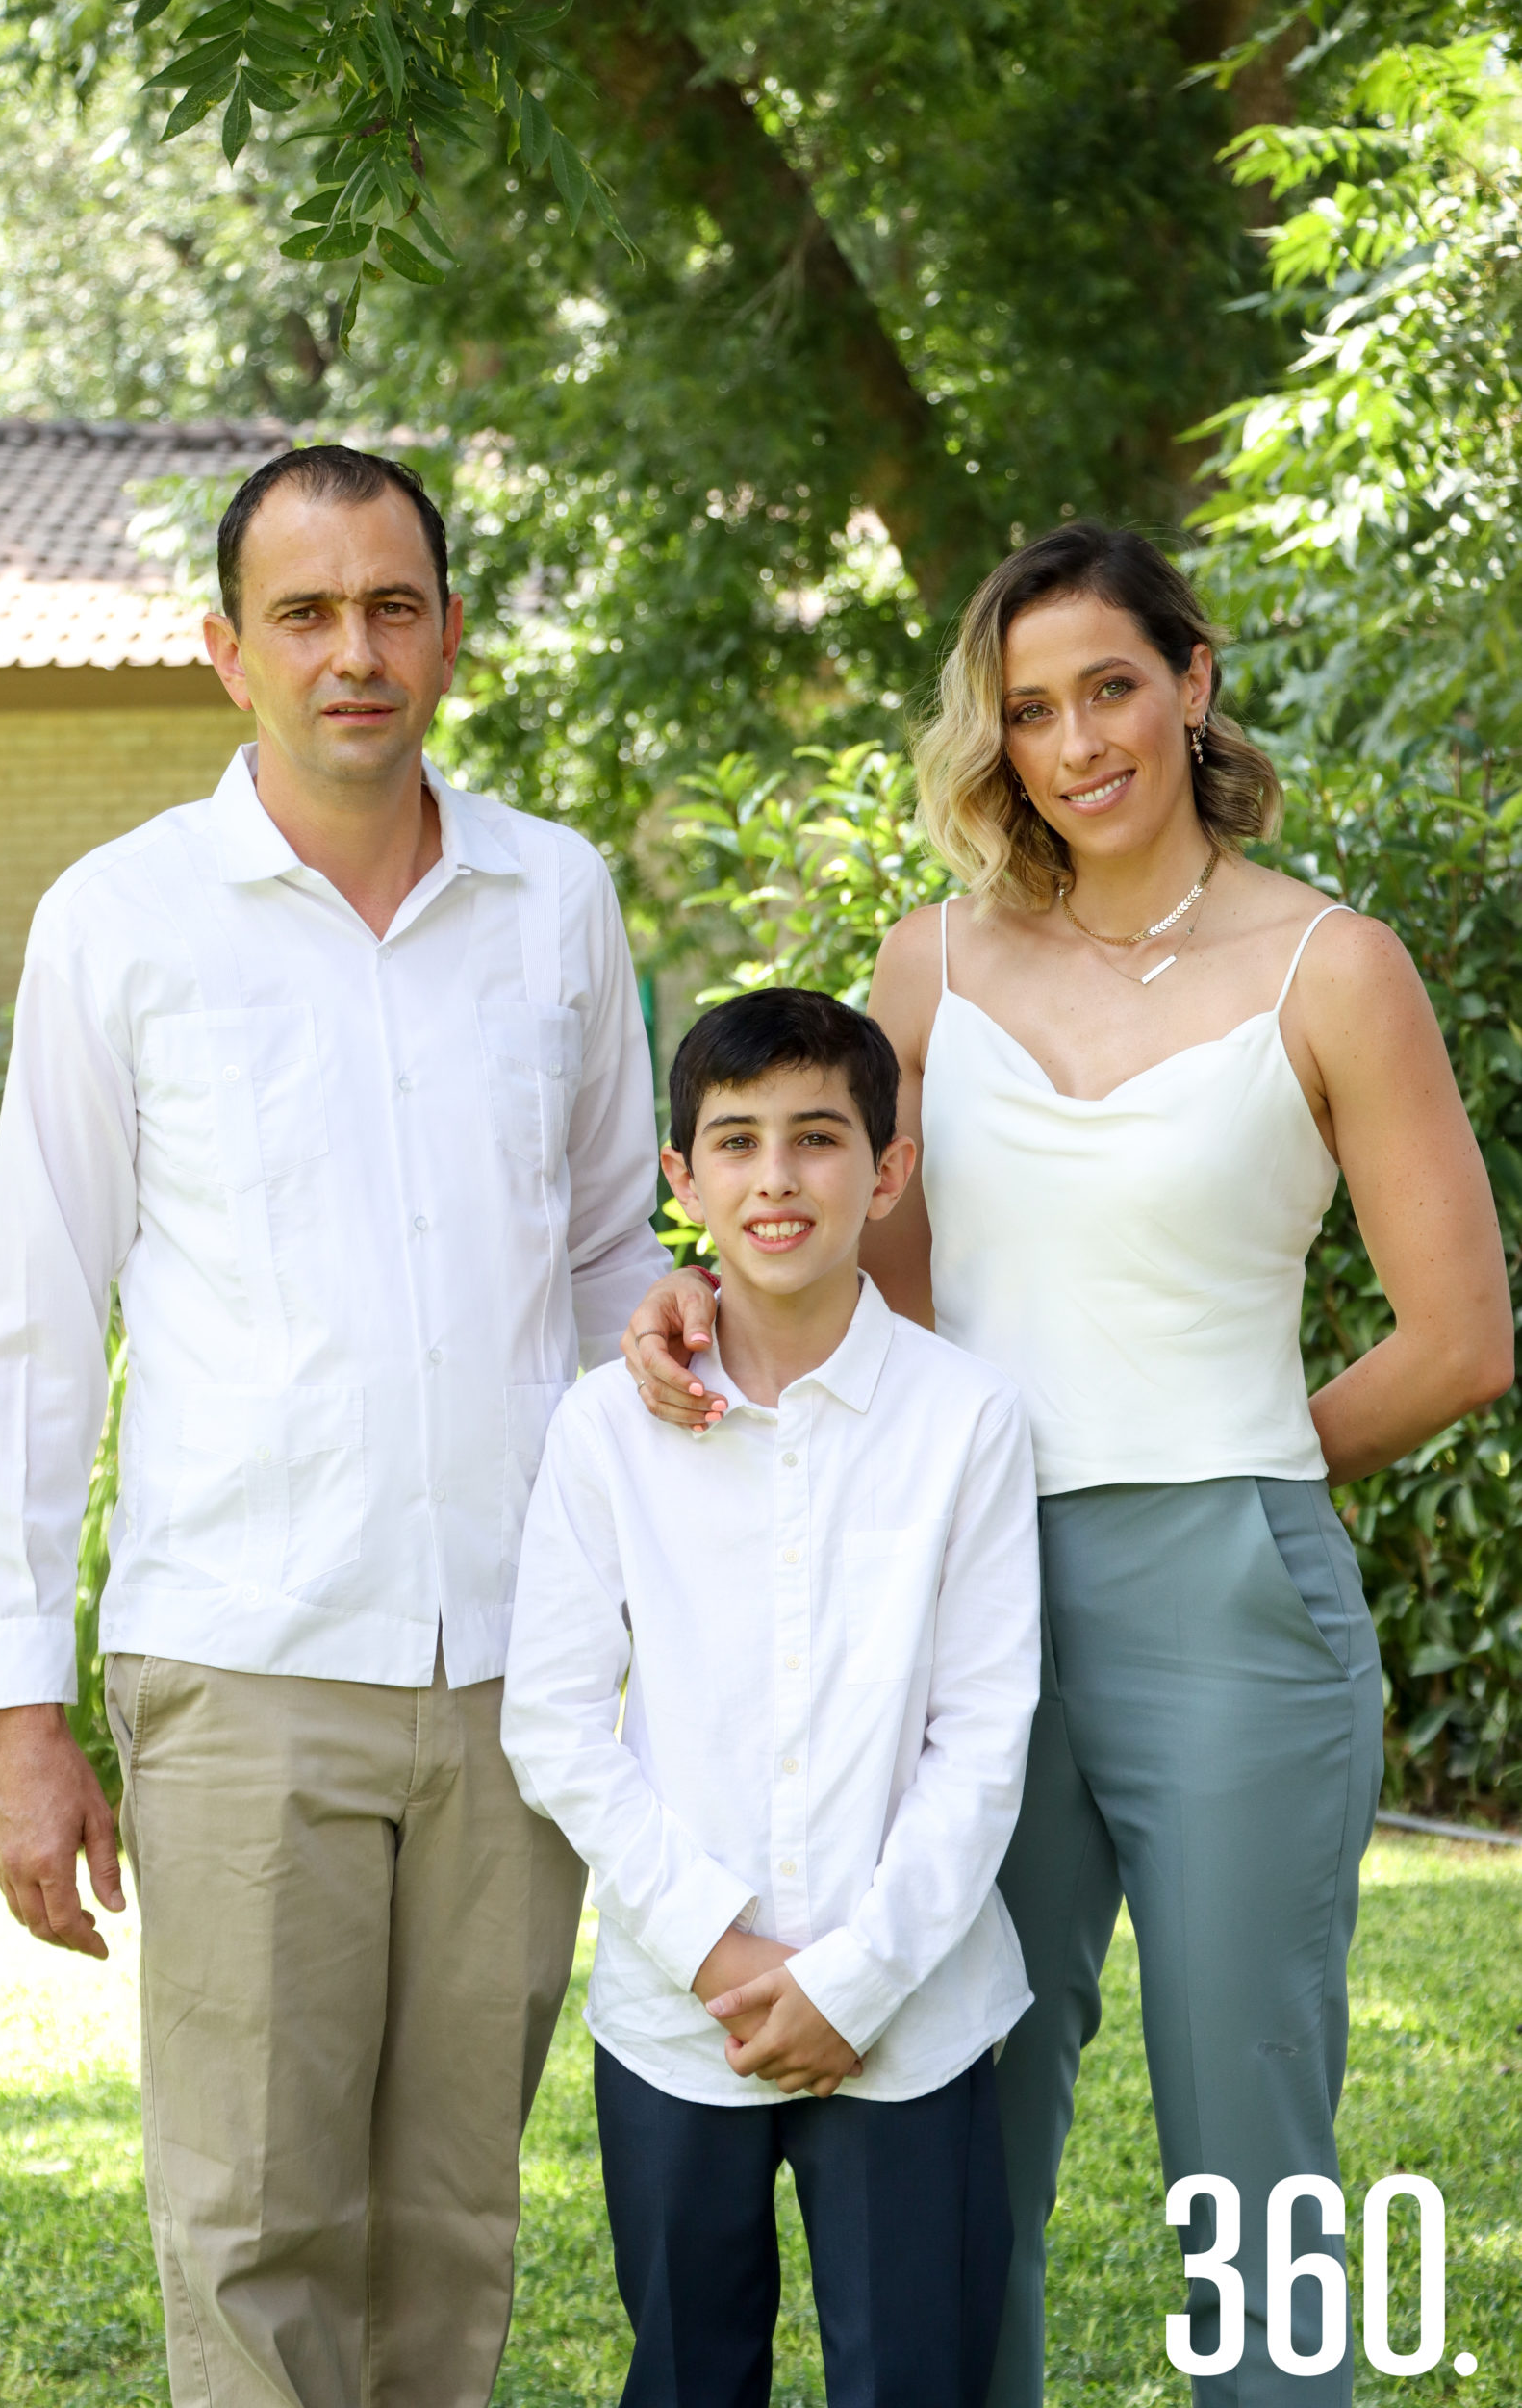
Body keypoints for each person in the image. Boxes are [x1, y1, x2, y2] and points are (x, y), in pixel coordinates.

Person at [621, 524, 1513, 2407]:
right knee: (945, 2144)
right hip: (955, 1606)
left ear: (1188, 683)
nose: (1072, 740)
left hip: (1229, 1604)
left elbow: (1457, 1337)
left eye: (1108, 686)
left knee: (1244, 2148)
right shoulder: (928, 964)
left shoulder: (1331, 967)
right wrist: (693, 1304)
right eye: (1025, 709)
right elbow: (862, 1280)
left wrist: (1248, 1476)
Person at [0, 444, 673, 2408]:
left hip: (519, 1663)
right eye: (303, 612)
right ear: (226, 649)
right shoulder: (122, 921)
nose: (351, 650)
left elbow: (618, 1250)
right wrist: (22, 1718)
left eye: (388, 605)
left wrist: (663, 1597)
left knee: (450, 2223)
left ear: (443, 630)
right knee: (255, 2220)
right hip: (243, 1659)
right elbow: (31, 1326)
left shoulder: (558, 897)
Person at [501, 987, 1041, 2408]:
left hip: (909, 2019)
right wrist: (722, 1951)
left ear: (888, 1170)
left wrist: (850, 1979)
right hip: (682, 2019)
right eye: (734, 1143)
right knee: (687, 2373)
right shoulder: (605, 1427)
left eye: (817, 1139)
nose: (777, 1178)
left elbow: (983, 1739)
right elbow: (552, 1719)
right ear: (682, 1178)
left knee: (916, 2376)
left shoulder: (966, 1422)